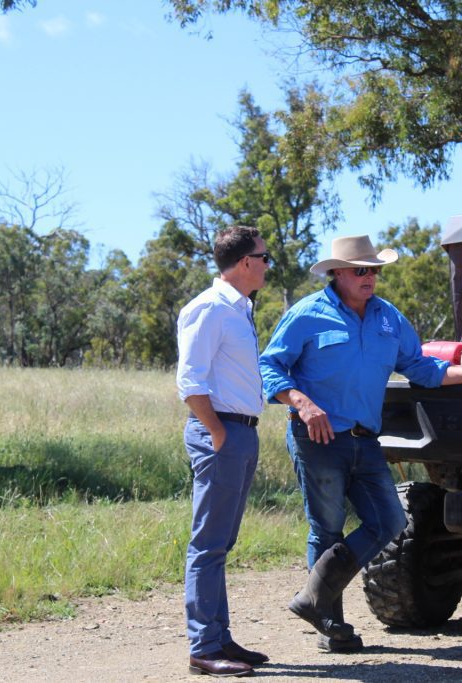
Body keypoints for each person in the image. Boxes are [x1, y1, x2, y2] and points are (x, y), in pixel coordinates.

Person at [259, 235, 462, 653]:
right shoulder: (307, 314)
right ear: (337, 273)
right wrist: (302, 403)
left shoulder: (388, 318)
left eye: (374, 270)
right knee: (326, 529)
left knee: (391, 522)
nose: (370, 277)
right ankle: (330, 626)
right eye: (361, 270)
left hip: (365, 439)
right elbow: (270, 364)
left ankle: (311, 599)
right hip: (317, 437)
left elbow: (419, 367)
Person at [176, 226, 272, 677]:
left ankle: (219, 638)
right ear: (245, 263)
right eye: (264, 257)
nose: (268, 264)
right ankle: (203, 648)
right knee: (208, 544)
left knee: (221, 544)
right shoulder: (209, 309)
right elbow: (190, 383)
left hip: (240, 433)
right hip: (223, 435)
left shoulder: (240, 309)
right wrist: (217, 433)